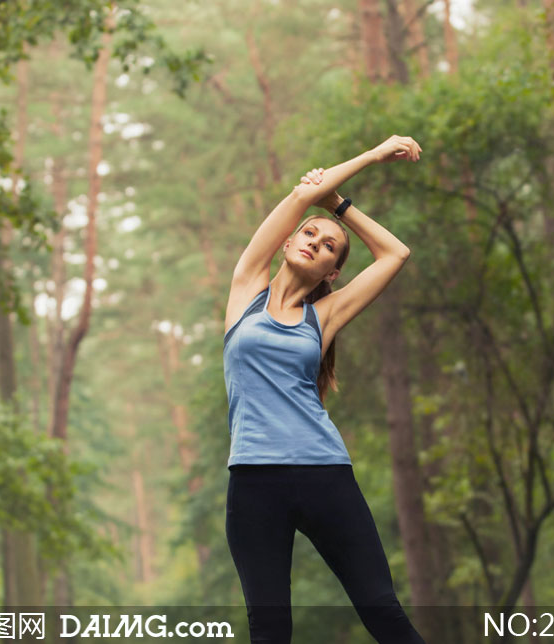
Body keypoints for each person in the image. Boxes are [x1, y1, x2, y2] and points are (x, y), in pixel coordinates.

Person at [223, 135, 427, 644]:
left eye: (328, 245)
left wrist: (337, 203)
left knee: (382, 609)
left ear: (332, 271)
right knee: (269, 629)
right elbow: (297, 200)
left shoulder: (325, 316)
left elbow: (394, 253)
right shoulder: (246, 289)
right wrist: (359, 162)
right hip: (253, 481)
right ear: (289, 244)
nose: (315, 240)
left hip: (324, 474)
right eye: (310, 233)